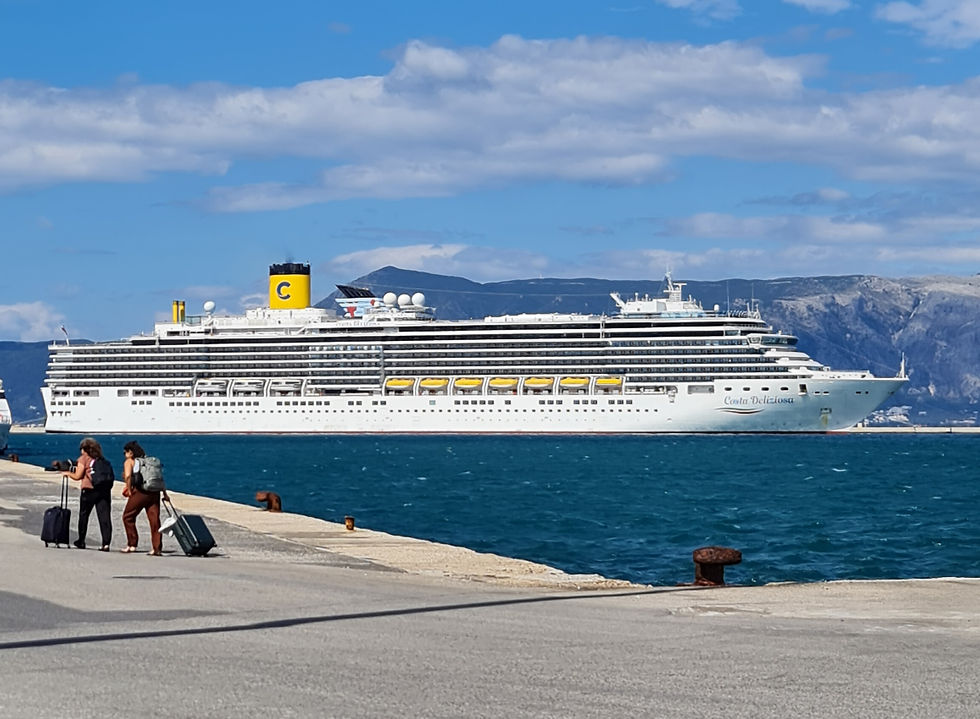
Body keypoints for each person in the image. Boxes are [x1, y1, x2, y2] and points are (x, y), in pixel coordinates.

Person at [62, 437, 112, 551]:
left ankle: (81, 540)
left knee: (84, 516)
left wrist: (68, 473)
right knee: (104, 517)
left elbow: (78, 476)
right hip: (103, 490)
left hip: (89, 491)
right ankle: (106, 543)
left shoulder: (83, 459)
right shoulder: (101, 459)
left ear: (84, 449)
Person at [120, 440, 168, 555]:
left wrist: (129, 489)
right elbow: (159, 478)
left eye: (125, 452)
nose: (124, 455)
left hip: (140, 492)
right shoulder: (148, 462)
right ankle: (157, 548)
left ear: (130, 452)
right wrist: (165, 494)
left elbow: (128, 476)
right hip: (155, 492)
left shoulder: (130, 461)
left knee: (128, 516)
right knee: (155, 520)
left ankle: (132, 544)